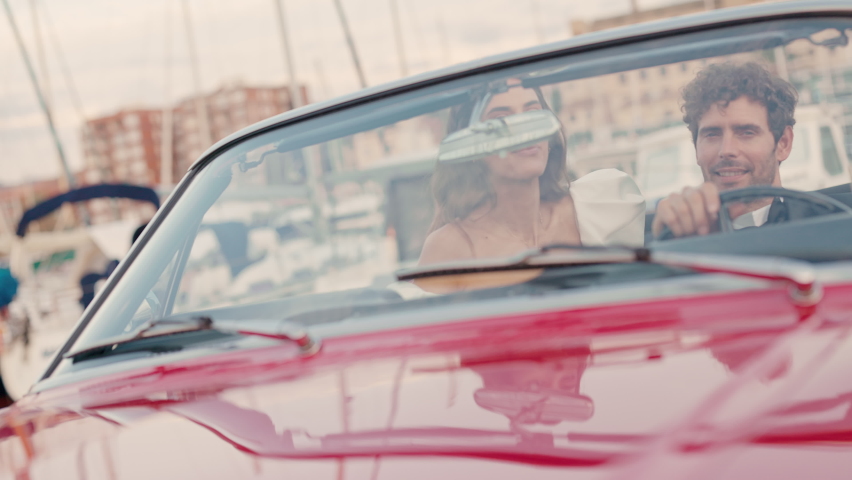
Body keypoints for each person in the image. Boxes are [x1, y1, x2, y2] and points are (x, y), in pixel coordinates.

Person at [418, 78, 645, 268]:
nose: (524, 130)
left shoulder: (600, 205)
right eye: (500, 120)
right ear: (471, 145)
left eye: (533, 113)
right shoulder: (450, 249)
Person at [651, 62, 851, 238]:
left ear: (783, 143)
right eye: (712, 134)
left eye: (746, 132)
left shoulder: (841, 221)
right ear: (696, 148)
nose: (726, 150)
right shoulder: (670, 243)